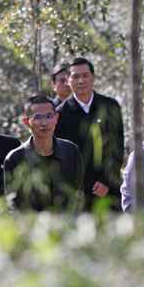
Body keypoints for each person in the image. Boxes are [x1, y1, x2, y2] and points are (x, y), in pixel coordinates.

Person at [55, 57, 125, 211]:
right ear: (68, 80)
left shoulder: (110, 106)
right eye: (75, 76)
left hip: (109, 190)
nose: (81, 81)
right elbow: (63, 157)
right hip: (77, 193)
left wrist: (106, 181)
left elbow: (118, 147)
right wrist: (87, 185)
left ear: (93, 78)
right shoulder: (60, 114)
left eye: (85, 75)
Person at [4, 94, 84, 211]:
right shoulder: (15, 158)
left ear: (56, 118)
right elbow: (13, 205)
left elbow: (78, 195)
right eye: (37, 118)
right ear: (26, 121)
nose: (44, 123)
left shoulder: (71, 151)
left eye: (49, 116)